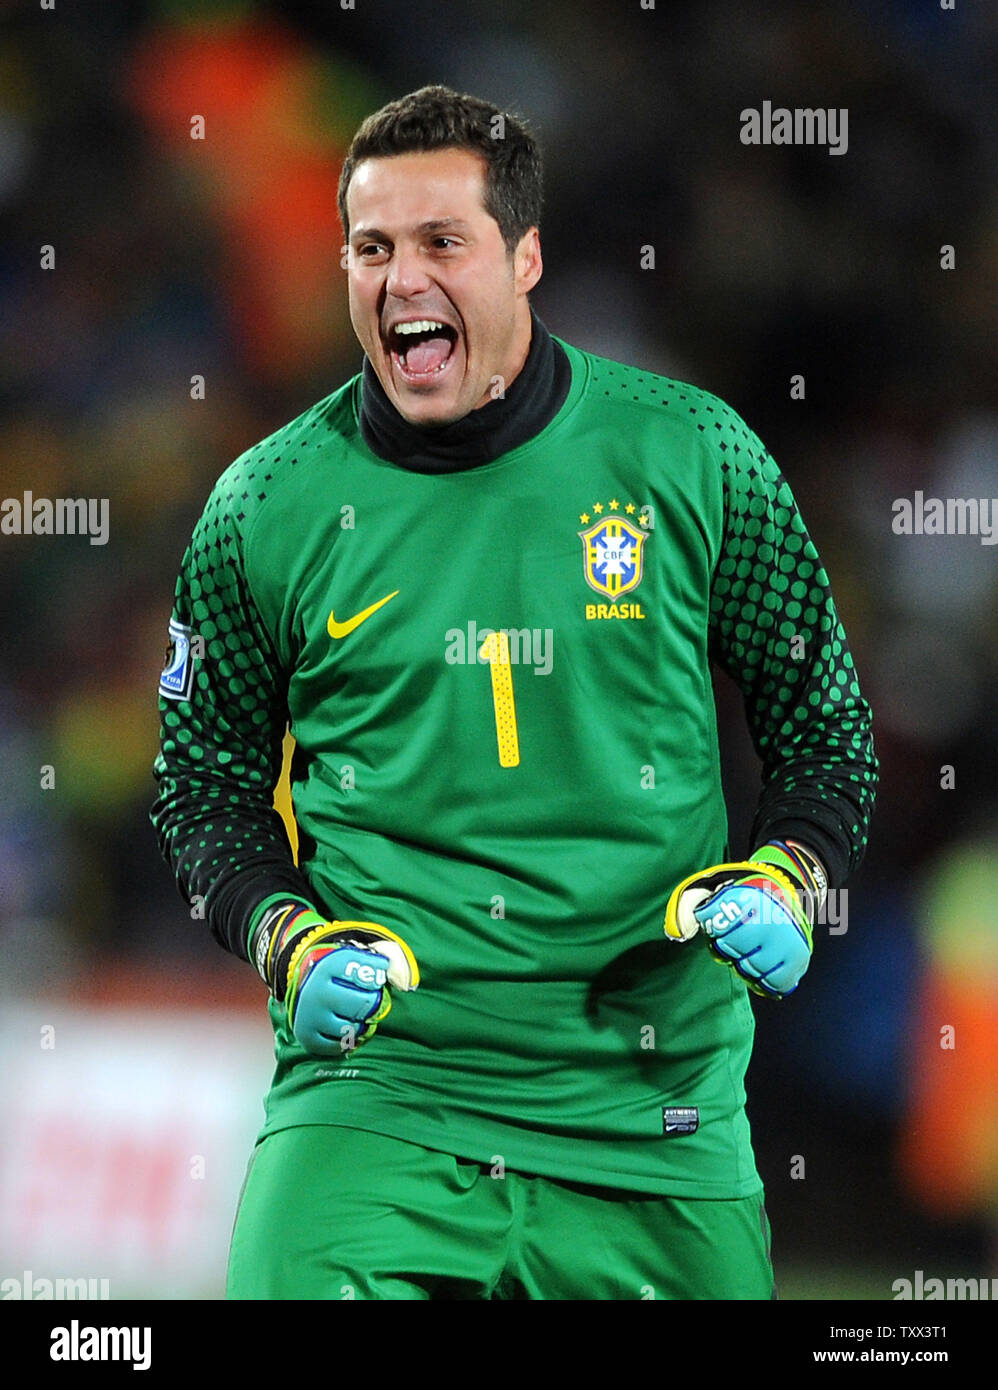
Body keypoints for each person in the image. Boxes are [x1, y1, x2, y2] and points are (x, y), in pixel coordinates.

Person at [151, 84, 877, 1300]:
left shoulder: (691, 457)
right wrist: (286, 941)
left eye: (442, 242)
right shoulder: (264, 506)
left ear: (526, 257)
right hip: (379, 1105)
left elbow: (826, 734)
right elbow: (202, 786)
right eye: (371, 249)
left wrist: (789, 881)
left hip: (651, 1110)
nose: (400, 281)